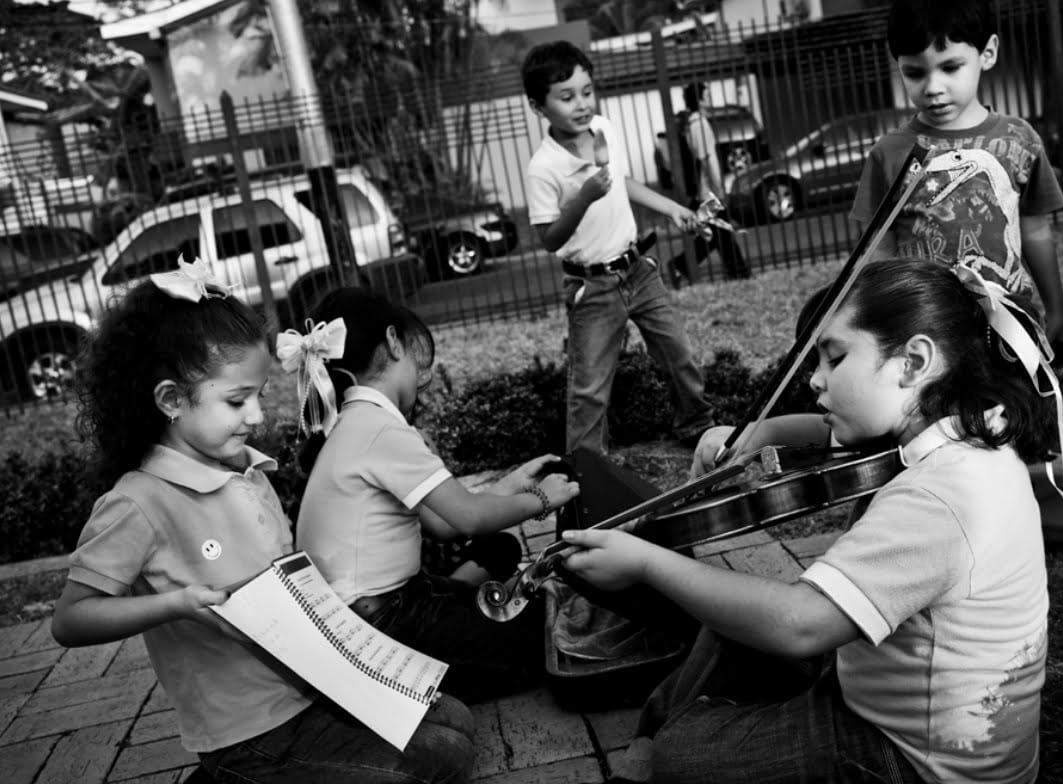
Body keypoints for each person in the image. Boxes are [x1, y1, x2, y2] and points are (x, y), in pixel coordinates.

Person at [562, 257, 1059, 783]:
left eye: (834, 357)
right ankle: (654, 749)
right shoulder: (956, 431)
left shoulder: (943, 495)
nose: (815, 380)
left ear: (913, 361)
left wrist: (645, 563)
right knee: (728, 628)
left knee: (684, 754)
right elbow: (821, 434)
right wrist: (752, 436)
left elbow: (799, 624)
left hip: (920, 763)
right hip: (903, 708)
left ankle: (657, 750)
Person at [51, 262, 475, 783]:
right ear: (170, 400)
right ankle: (230, 776)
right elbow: (70, 620)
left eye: (258, 395)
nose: (256, 416)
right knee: (434, 765)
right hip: (248, 731)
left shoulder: (247, 470)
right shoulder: (137, 503)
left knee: (454, 724)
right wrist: (175, 605)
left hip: (311, 689)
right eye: (236, 400)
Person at [292, 286, 580, 703]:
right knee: (542, 640)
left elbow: (442, 523)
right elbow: (468, 518)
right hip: (382, 624)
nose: (424, 377)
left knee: (518, 599)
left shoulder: (357, 423)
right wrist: (543, 499)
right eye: (418, 362)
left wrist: (517, 482)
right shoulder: (378, 428)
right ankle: (407, 684)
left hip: (379, 609)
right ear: (393, 341)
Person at [850, 0, 1063, 361]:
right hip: (927, 330)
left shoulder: (1021, 139)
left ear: (988, 53)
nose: (933, 87)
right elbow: (878, 250)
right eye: (915, 73)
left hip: (1010, 322)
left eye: (950, 67)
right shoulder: (889, 154)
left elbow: (1035, 232)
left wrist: (1057, 310)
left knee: (1012, 413)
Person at [522, 40, 716, 453]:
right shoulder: (543, 168)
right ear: (539, 107)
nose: (581, 104)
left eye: (587, 91)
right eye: (567, 97)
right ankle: (588, 470)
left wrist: (673, 208)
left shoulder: (604, 128)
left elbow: (622, 182)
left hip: (638, 270)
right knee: (590, 387)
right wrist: (584, 197)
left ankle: (698, 427)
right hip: (591, 287)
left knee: (677, 353)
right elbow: (549, 238)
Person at [665, 81, 752, 286]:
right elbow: (707, 160)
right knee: (719, 235)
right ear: (700, 98)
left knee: (717, 236)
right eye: (707, 94)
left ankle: (735, 272)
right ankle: (737, 273)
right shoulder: (700, 125)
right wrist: (719, 189)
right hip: (708, 192)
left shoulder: (692, 124)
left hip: (704, 191)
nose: (710, 98)